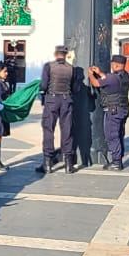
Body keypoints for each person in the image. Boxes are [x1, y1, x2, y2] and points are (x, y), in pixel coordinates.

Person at [38, 45, 78, 174]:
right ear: (65, 55)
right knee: (67, 130)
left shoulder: (49, 66)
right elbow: (75, 88)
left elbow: (44, 85)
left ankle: (48, 163)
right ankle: (68, 164)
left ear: (56, 54)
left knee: (48, 129)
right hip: (66, 100)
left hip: (52, 99)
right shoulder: (71, 69)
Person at [89, 54, 129, 171]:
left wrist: (90, 75)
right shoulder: (125, 76)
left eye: (113, 64)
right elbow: (110, 80)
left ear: (116, 64)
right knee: (119, 135)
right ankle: (119, 159)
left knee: (112, 136)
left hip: (114, 110)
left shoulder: (113, 77)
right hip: (123, 109)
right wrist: (101, 73)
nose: (111, 66)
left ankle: (116, 162)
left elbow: (96, 83)